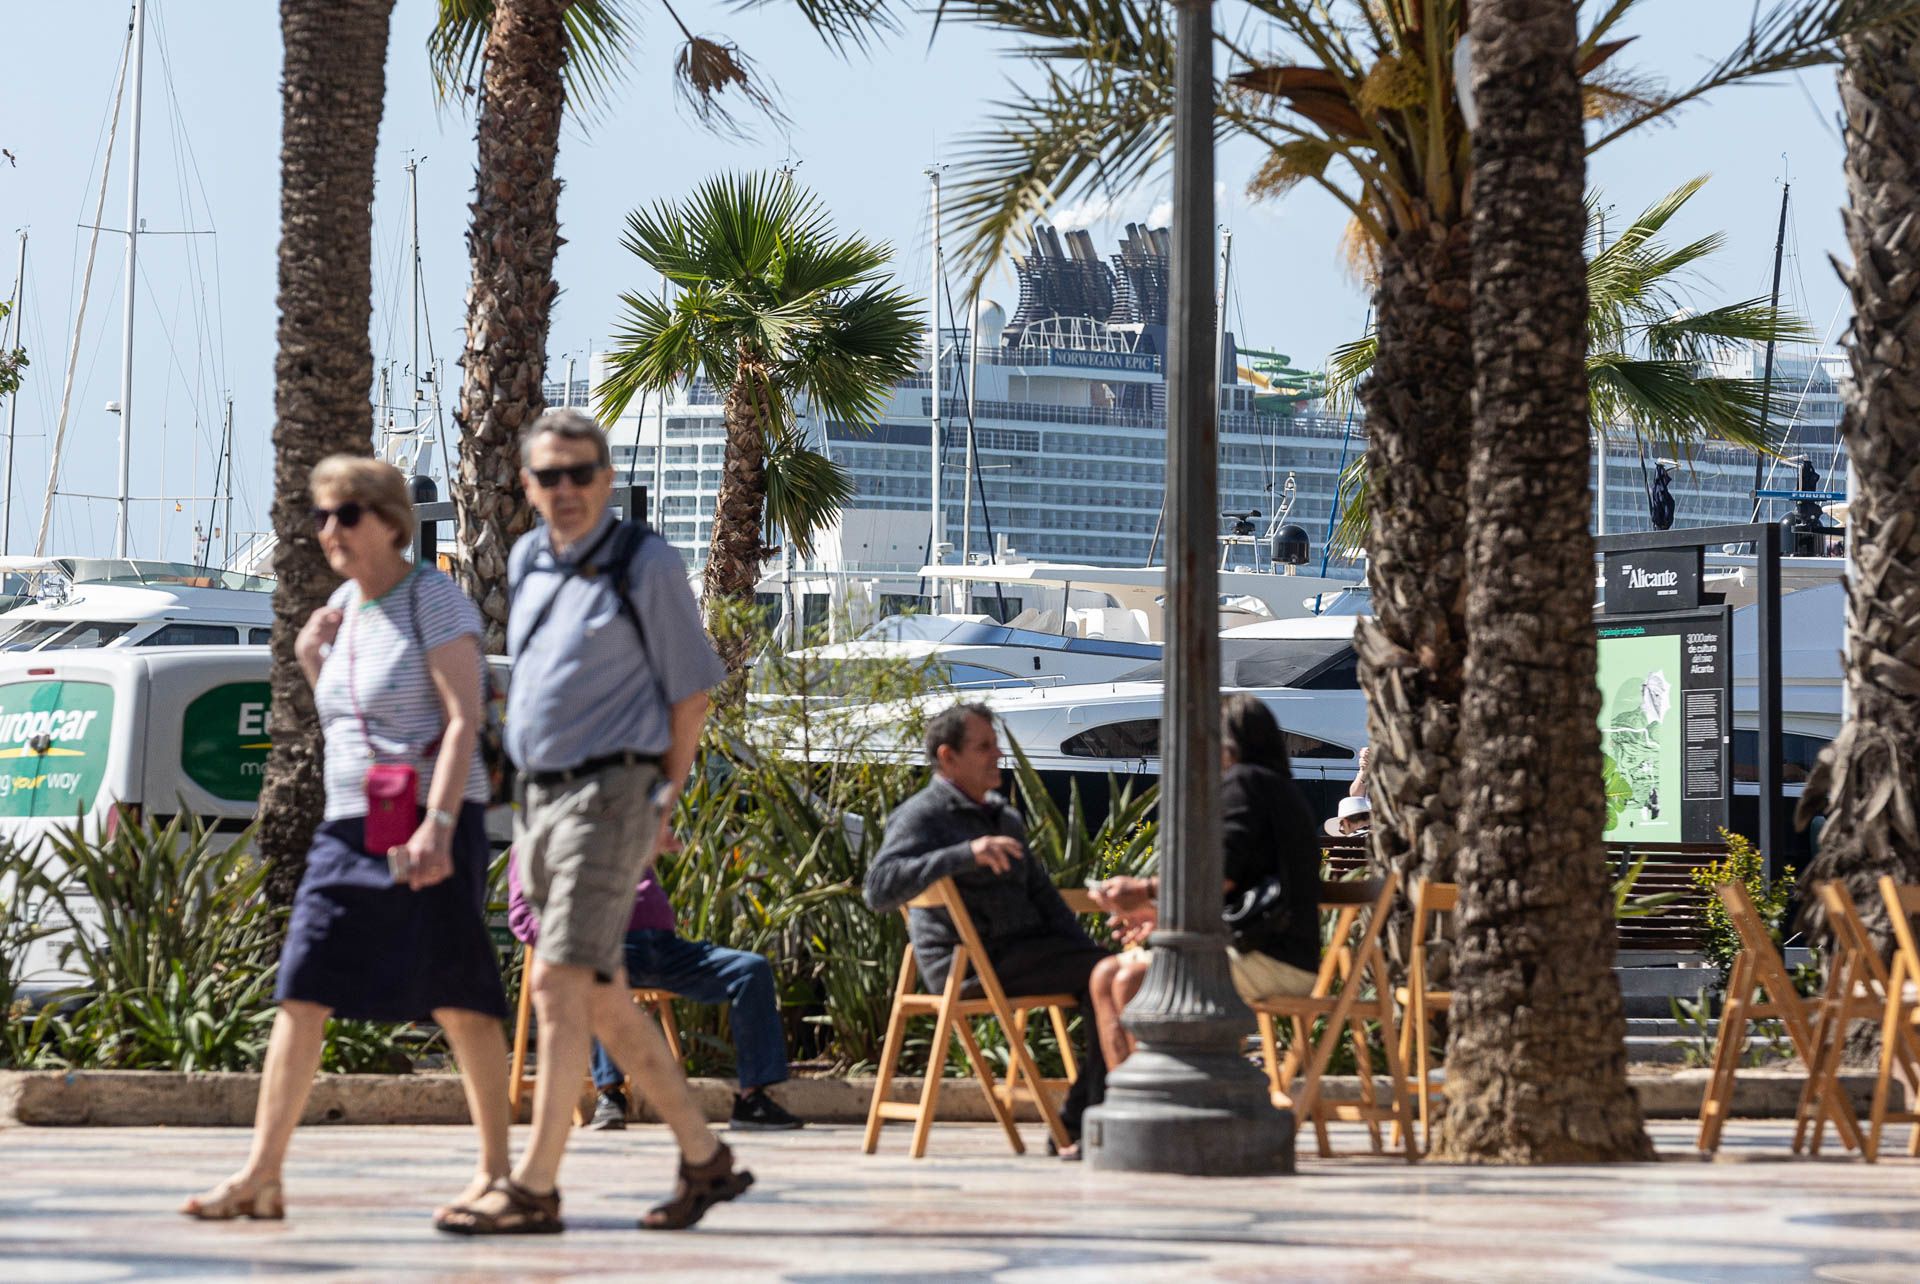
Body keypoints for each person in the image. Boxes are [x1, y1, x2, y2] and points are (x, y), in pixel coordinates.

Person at [436, 408, 746, 1236]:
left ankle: (535, 1187)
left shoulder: (643, 563)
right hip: (537, 801)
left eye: (581, 473)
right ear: (529, 486)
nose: (565, 489)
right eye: (549, 476)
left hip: (612, 794)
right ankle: (705, 1159)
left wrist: (661, 804)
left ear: (607, 480)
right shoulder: (533, 558)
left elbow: (692, 694)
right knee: (601, 995)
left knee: (556, 981)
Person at [182, 456, 509, 1225]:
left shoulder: (434, 599)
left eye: (346, 514)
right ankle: (262, 1174)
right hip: (347, 826)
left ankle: (498, 1170)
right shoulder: (342, 607)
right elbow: (348, 720)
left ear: (390, 520)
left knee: (459, 998)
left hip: (431, 823)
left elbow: (465, 720)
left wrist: (436, 823)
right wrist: (308, 660)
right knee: (301, 990)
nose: (329, 530)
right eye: (321, 515)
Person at [864, 702, 1108, 1160]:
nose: (997, 754)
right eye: (984, 747)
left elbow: (1045, 900)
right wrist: (964, 854)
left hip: (1025, 952)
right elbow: (878, 889)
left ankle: (1079, 1121)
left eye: (995, 745)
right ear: (948, 757)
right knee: (1109, 977)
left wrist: (1090, 950)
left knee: (1113, 977)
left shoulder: (1003, 815)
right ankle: (1079, 1125)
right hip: (970, 963)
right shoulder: (923, 816)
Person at [1086, 694, 1322, 1069]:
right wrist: (1160, 914)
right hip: (1274, 954)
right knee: (1106, 975)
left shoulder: (1244, 784)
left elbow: (1214, 878)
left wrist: (1144, 890)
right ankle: (1127, 1103)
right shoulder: (1277, 789)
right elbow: (1239, 887)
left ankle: (1155, 1106)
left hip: (1268, 958)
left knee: (1127, 978)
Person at [504, 849, 804, 1132]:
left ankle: (753, 1101)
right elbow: (521, 914)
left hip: (665, 947)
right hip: (605, 948)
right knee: (597, 973)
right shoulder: (537, 835)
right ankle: (611, 1095)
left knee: (751, 970)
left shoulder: (621, 821)